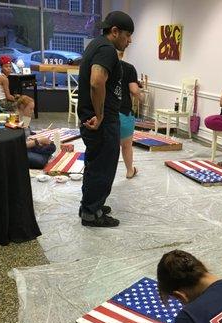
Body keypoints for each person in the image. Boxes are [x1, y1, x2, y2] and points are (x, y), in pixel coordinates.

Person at [77, 11, 134, 227]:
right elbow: (96, 81)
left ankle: (91, 204)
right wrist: (100, 115)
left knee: (96, 163)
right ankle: (92, 213)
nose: (129, 41)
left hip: (97, 118)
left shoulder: (97, 44)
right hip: (101, 121)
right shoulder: (106, 49)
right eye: (127, 36)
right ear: (115, 31)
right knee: (103, 165)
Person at [118, 50, 142, 179]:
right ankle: (129, 171)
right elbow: (134, 90)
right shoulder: (128, 68)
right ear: (122, 54)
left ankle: (106, 174)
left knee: (108, 147)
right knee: (126, 145)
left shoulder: (101, 66)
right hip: (123, 111)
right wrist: (141, 96)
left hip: (105, 111)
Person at [0, 55, 35, 120]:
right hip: (1, 103)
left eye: (10, 67)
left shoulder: (0, 76)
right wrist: (20, 99)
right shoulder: (4, 78)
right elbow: (8, 97)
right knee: (27, 103)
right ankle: (24, 124)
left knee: (26, 100)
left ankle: (23, 122)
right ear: (1, 67)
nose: (9, 68)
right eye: (6, 66)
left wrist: (19, 98)